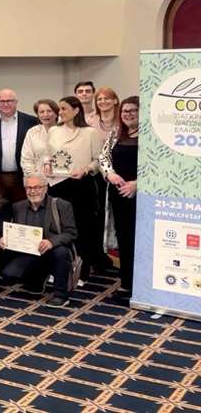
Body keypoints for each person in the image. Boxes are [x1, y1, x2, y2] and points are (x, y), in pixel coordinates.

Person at [45, 95, 105, 276]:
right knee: (56, 226)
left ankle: (81, 270)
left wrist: (86, 170)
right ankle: (57, 269)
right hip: (56, 184)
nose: (60, 112)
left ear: (76, 110)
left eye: (64, 109)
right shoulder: (53, 130)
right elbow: (48, 154)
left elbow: (99, 160)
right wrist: (46, 164)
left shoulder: (90, 133)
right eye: (60, 109)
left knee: (81, 227)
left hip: (80, 185)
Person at [0, 174, 77, 307]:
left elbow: (71, 233)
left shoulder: (61, 205)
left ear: (45, 188)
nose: (33, 191)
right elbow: (15, 231)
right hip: (30, 252)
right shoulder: (18, 207)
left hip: (52, 252)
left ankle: (61, 295)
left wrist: (51, 242)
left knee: (61, 252)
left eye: (37, 187)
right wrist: (5, 238)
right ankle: (37, 280)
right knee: (8, 274)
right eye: (29, 188)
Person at [100, 96, 139, 301]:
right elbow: (103, 157)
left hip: (140, 197)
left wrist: (137, 184)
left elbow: (158, 167)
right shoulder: (116, 133)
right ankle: (126, 283)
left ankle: (140, 285)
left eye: (133, 110)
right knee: (124, 240)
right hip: (118, 194)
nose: (128, 114)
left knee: (139, 240)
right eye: (125, 111)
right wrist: (110, 174)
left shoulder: (150, 136)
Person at [0, 88, 38, 203]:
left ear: (16, 102)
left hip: (22, 178)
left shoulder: (31, 121)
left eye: (9, 101)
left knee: (21, 209)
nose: (5, 104)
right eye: (2, 101)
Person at [20, 99, 59, 176]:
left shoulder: (65, 131)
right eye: (42, 112)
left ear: (56, 113)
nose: (46, 115)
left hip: (61, 177)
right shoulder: (32, 132)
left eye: (49, 111)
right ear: (37, 115)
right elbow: (26, 159)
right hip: (38, 179)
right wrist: (33, 177)